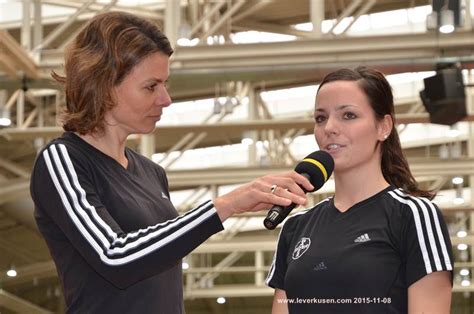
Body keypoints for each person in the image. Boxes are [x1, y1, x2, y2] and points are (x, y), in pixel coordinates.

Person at [29, 11, 314, 314]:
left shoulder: (151, 173)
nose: (166, 99)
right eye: (151, 86)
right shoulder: (63, 160)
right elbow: (115, 257)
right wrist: (227, 205)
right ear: (104, 84)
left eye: (165, 84)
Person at [266, 67, 453, 314]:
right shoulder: (295, 227)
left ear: (383, 127)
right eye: (321, 118)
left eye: (348, 115)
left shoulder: (413, 215)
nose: (329, 127)